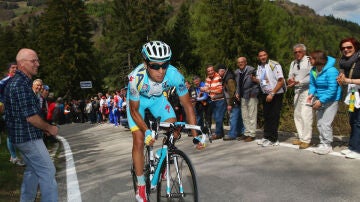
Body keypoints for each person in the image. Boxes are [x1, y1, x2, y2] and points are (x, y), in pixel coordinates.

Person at [126, 41, 204, 202]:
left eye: (165, 65)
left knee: (174, 126)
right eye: (155, 66)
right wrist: (147, 130)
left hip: (157, 100)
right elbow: (134, 110)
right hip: (138, 103)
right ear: (146, 63)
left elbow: (187, 105)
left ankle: (163, 155)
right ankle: (141, 186)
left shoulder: (174, 75)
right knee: (139, 140)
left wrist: (196, 134)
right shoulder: (135, 78)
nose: (161, 71)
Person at [4, 48, 59, 201]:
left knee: (33, 171)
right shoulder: (20, 85)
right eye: (33, 61)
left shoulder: (20, 83)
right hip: (28, 138)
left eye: (37, 60)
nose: (38, 64)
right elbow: (31, 117)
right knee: (48, 171)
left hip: (22, 137)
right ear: (21, 64)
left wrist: (43, 129)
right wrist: (50, 128)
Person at [308, 50, 341, 155]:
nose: (309, 60)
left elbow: (333, 89)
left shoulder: (331, 71)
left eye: (311, 58)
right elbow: (313, 85)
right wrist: (311, 94)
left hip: (331, 101)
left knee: (326, 123)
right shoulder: (313, 70)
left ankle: (327, 145)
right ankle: (322, 143)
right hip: (319, 99)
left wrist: (321, 101)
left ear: (318, 59)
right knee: (319, 123)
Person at [255, 50, 285, 147]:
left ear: (267, 55)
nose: (263, 57)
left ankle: (274, 139)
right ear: (258, 57)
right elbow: (262, 81)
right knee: (267, 116)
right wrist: (254, 79)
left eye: (264, 55)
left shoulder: (274, 64)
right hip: (266, 94)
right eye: (260, 56)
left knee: (274, 116)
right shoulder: (259, 66)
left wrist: (272, 93)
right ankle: (267, 136)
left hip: (275, 94)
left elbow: (281, 81)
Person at [337, 37, 360, 159]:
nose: (346, 50)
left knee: (359, 121)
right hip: (352, 94)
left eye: (349, 47)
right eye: (343, 48)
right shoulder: (344, 61)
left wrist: (348, 80)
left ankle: (357, 149)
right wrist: (341, 80)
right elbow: (345, 77)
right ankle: (352, 146)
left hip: (358, 93)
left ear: (355, 47)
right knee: (353, 120)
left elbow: (350, 79)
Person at [287, 44, 313, 149]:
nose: (297, 53)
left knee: (306, 115)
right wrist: (290, 80)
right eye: (295, 52)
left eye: (300, 51)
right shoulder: (293, 63)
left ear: (304, 52)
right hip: (297, 91)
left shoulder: (309, 61)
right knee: (297, 115)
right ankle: (301, 137)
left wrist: (299, 81)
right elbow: (290, 75)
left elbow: (313, 76)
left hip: (308, 91)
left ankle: (307, 140)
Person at [0, 62, 25, 166]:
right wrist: (2, 104)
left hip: (18, 110)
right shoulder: (4, 81)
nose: (15, 69)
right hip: (8, 110)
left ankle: (14, 156)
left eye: (16, 67)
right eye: (13, 67)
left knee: (18, 132)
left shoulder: (19, 80)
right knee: (12, 133)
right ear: (9, 70)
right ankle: (14, 157)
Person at [235, 57, 259, 142]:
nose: (240, 63)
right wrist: (237, 92)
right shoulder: (237, 72)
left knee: (252, 115)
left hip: (251, 96)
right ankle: (247, 132)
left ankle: (252, 134)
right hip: (242, 96)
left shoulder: (252, 70)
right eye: (239, 62)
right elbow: (238, 85)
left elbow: (257, 83)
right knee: (244, 116)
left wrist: (254, 93)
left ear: (246, 62)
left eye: (242, 62)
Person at [217, 64, 245, 141]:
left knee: (233, 117)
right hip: (236, 101)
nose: (218, 73)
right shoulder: (228, 77)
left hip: (234, 101)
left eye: (218, 71)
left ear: (222, 71)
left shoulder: (229, 78)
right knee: (238, 117)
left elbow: (232, 91)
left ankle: (232, 134)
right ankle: (240, 132)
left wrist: (230, 104)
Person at [201, 65, 227, 140]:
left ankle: (218, 134)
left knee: (219, 117)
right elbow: (206, 87)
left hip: (220, 99)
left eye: (211, 70)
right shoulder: (207, 78)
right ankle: (221, 133)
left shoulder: (218, 77)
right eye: (208, 71)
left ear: (214, 70)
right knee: (216, 117)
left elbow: (220, 90)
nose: (210, 72)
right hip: (212, 100)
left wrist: (209, 90)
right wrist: (203, 89)